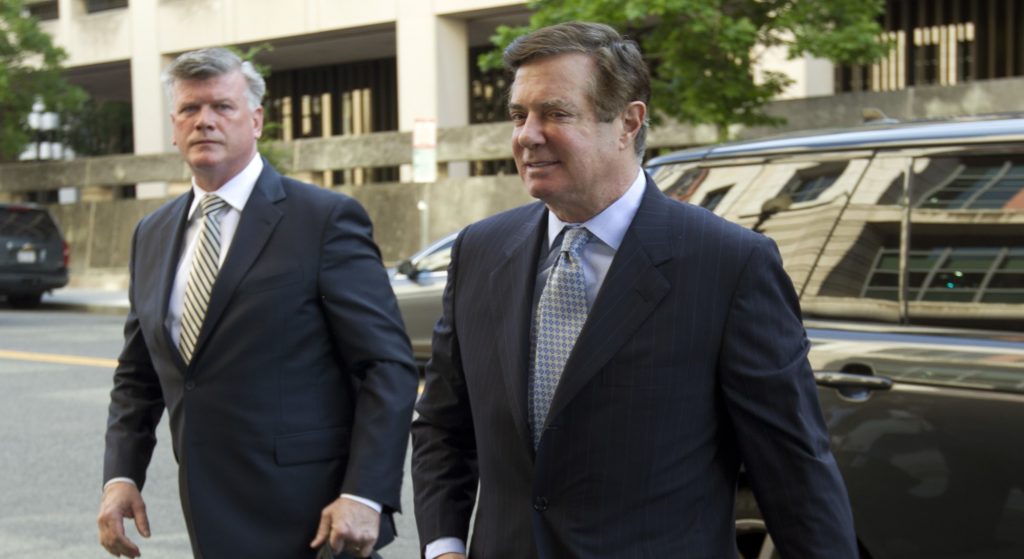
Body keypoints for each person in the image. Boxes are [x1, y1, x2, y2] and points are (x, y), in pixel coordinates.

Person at [411, 21, 857, 558]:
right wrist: (443, 546)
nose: (527, 135)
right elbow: (442, 426)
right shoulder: (480, 251)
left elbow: (793, 468)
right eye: (518, 115)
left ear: (628, 122)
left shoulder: (729, 263)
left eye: (555, 113)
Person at [96, 47, 418, 559]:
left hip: (314, 520)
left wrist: (365, 493)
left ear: (256, 119)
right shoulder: (151, 233)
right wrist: (120, 476)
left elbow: (388, 367)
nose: (205, 121)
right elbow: (138, 376)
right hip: (207, 512)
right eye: (189, 110)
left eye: (222, 107)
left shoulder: (324, 219)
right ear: (174, 126)